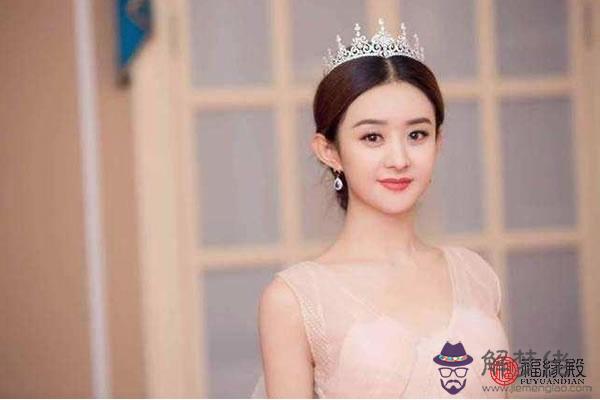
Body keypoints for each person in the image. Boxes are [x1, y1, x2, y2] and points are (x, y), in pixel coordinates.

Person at [251, 18, 510, 398]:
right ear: (329, 151)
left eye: (417, 134)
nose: (399, 159)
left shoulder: (476, 275)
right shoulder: (295, 300)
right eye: (372, 137)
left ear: (437, 143)